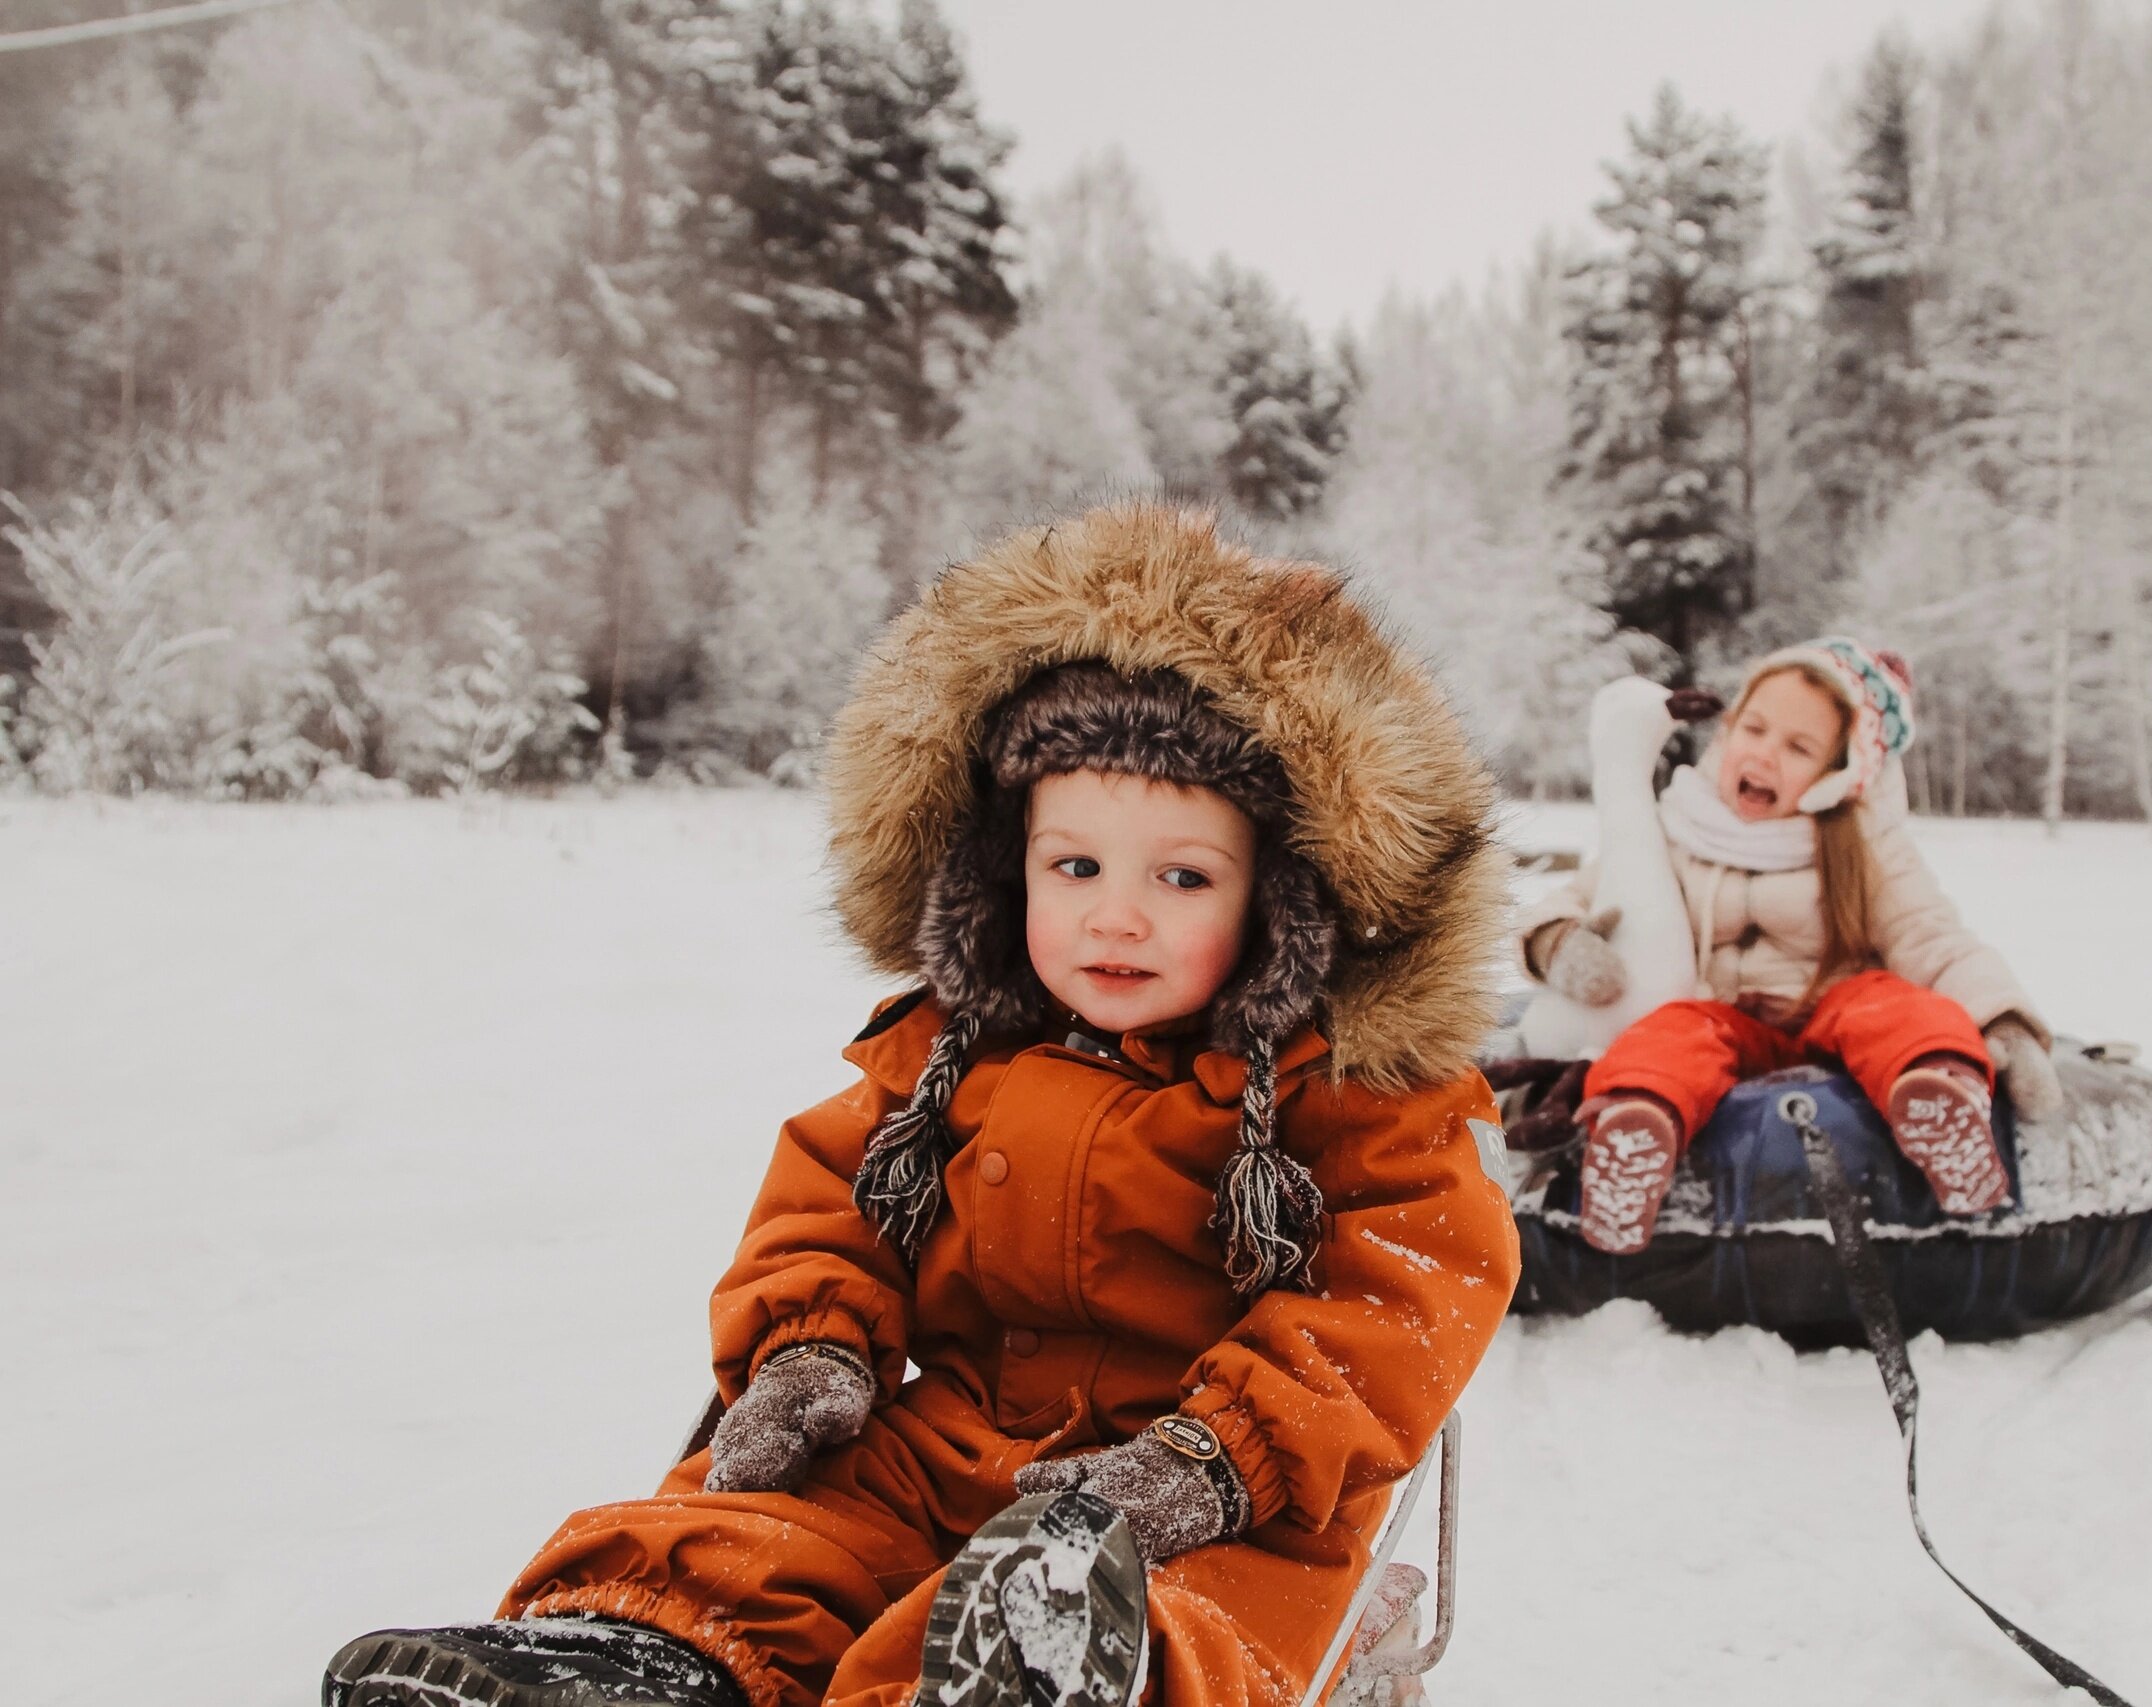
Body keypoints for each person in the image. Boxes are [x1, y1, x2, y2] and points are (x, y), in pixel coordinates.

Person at [323, 503, 1522, 1707]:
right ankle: (645, 1655)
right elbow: (832, 1205)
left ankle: (1042, 1684)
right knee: (773, 1535)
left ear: (1282, 904)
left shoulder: (1350, 1097)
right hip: (948, 1441)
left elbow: (1402, 1295)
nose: (1116, 914)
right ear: (1005, 873)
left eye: (1181, 876)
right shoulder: (950, 1055)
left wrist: (1222, 1455)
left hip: (1208, 1497)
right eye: (1076, 867)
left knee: (1174, 1629)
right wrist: (812, 1344)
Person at [1517, 639, 2065, 1254]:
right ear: (1728, 732)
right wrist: (1555, 941)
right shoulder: (1678, 824)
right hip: (1717, 1015)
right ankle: (1635, 1132)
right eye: (1754, 728)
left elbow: (1932, 938)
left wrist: (2007, 1021)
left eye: (1799, 747)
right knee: (1666, 1034)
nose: (1765, 754)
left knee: (1890, 1002)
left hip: (1829, 1013)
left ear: (1837, 774)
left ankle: (1938, 1098)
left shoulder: (1861, 843)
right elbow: (1579, 895)